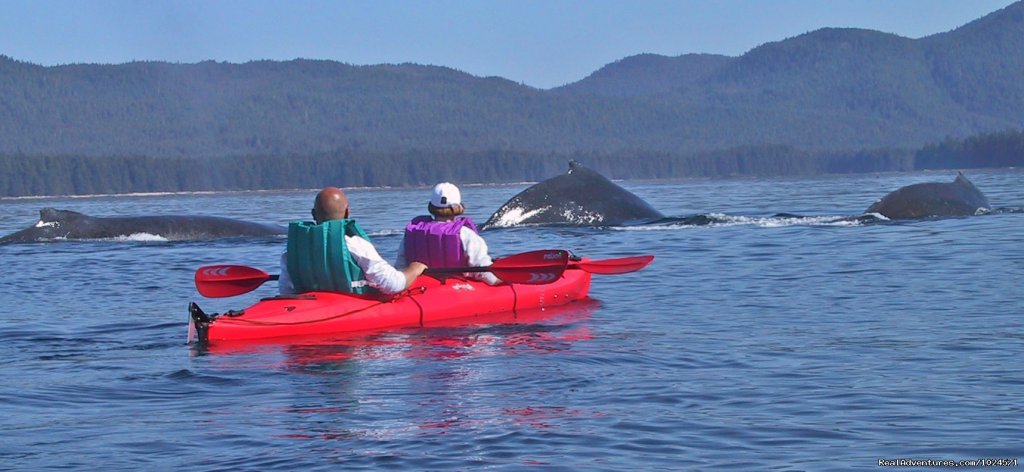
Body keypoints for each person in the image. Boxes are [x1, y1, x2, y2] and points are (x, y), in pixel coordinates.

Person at [279, 186, 427, 295]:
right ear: (347, 213)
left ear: (313, 214)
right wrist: (414, 269)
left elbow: (285, 291)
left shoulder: (292, 250)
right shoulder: (356, 245)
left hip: (309, 308)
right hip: (351, 307)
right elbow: (392, 284)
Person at [396, 182, 500, 285]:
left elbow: (400, 267)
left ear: (432, 206)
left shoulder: (413, 232)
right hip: (457, 290)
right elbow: (482, 270)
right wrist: (499, 281)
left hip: (419, 288)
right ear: (458, 207)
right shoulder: (465, 234)